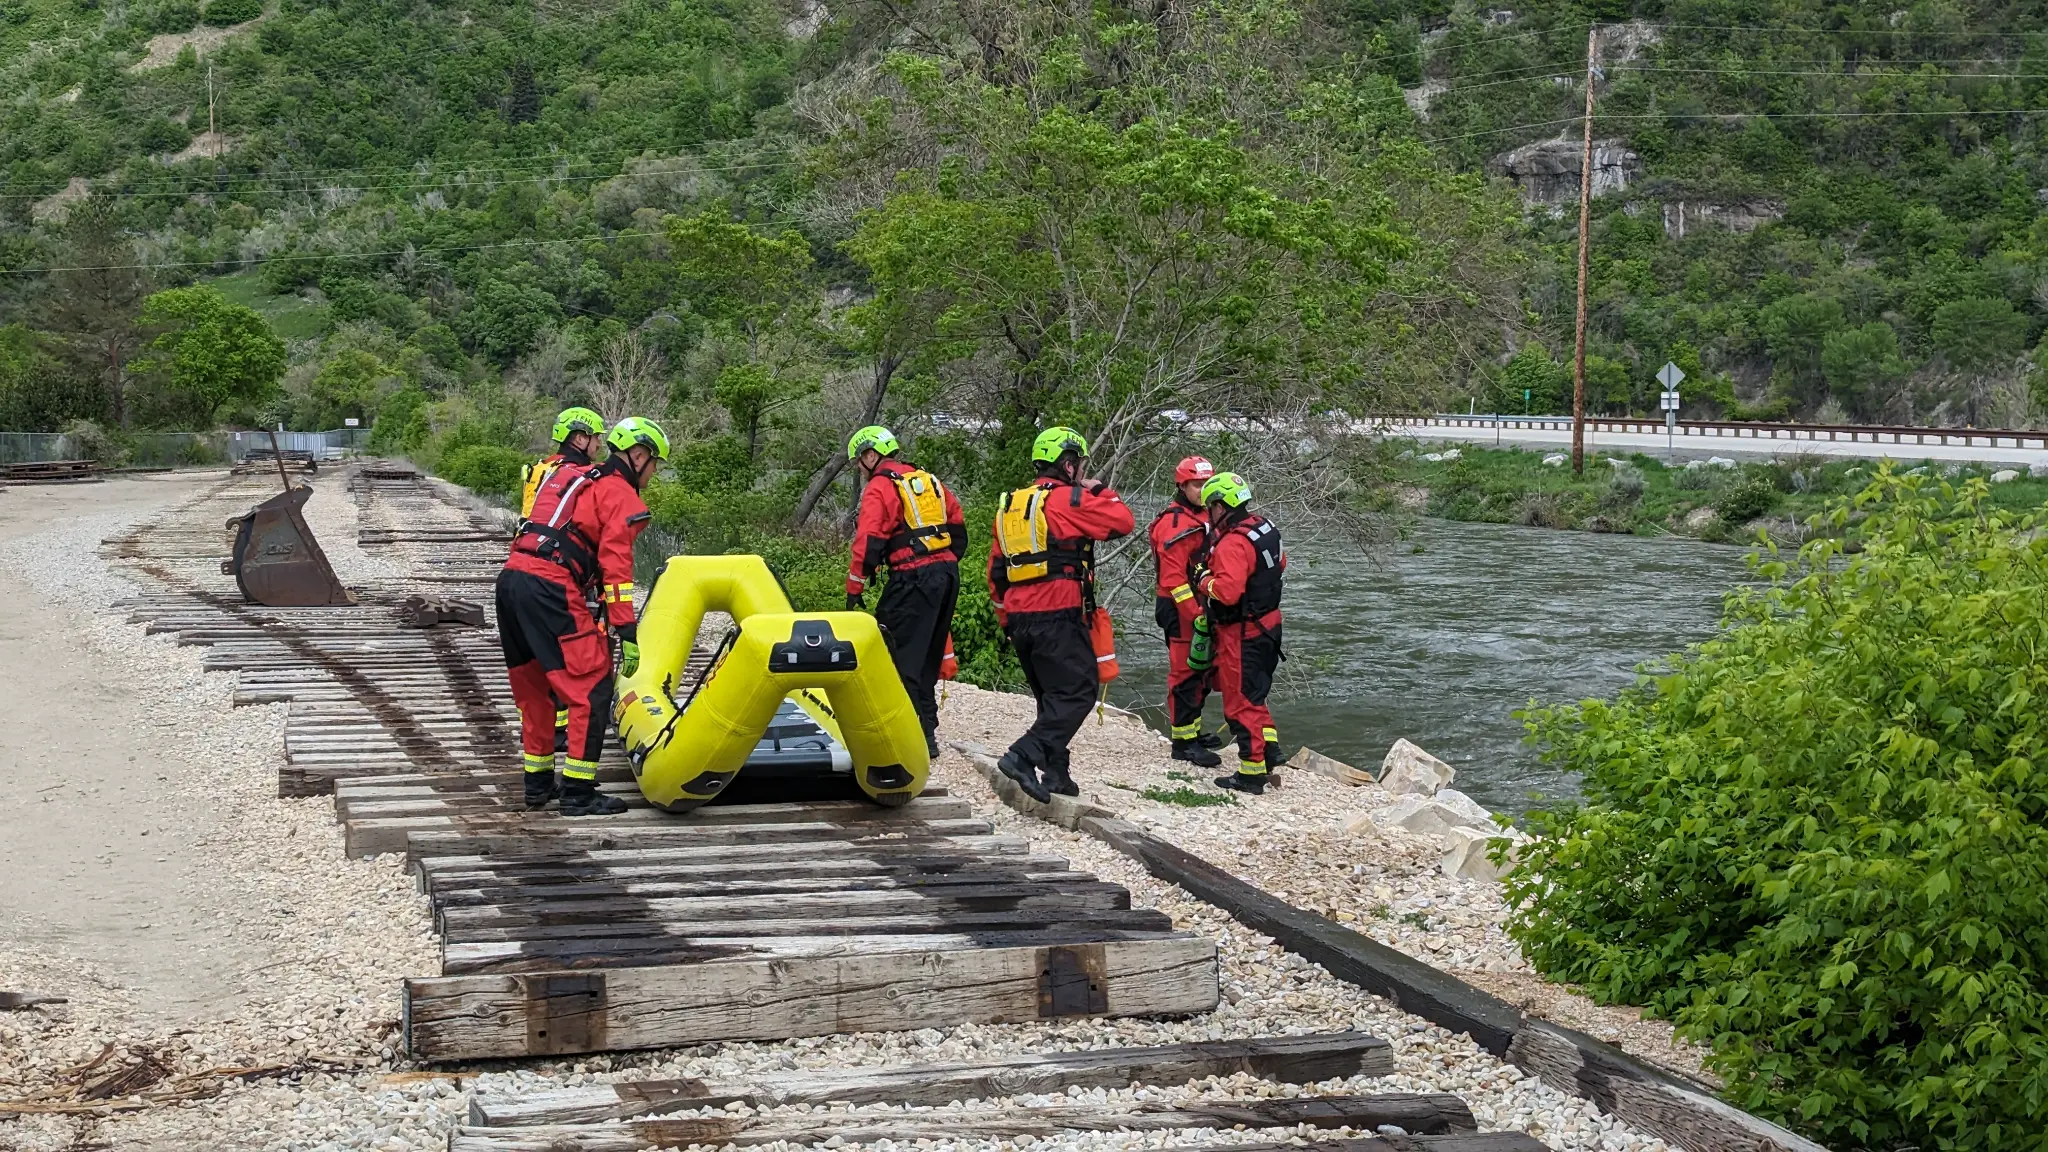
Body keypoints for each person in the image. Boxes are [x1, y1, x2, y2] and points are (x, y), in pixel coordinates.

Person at [496, 417, 668, 816]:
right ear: (638, 456)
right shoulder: (621, 496)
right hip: (551, 587)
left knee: (536, 687)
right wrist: (626, 628)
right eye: (655, 462)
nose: (654, 472)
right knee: (591, 689)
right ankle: (578, 793)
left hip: (511, 581)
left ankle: (538, 785)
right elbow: (617, 567)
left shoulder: (567, 476)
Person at [987, 427, 1135, 803]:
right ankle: (1022, 756)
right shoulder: (1071, 499)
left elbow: (996, 571)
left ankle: (1056, 773)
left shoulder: (1010, 505)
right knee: (1077, 693)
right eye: (1079, 464)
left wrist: (1006, 620)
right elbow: (1123, 521)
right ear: (1068, 465)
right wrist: (1097, 488)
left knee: (1051, 697)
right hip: (1058, 610)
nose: (1082, 469)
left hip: (1020, 618)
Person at [845, 425, 966, 758]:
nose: (860, 468)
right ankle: (926, 732)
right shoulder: (928, 481)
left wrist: (855, 587)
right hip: (946, 575)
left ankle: (907, 734)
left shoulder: (879, 488)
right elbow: (957, 526)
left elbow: (868, 542)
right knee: (927, 655)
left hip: (913, 576)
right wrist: (941, 564)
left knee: (897, 653)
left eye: (859, 461)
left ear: (871, 456)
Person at [1191, 471, 1285, 795]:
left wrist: (1203, 580)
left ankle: (1251, 772)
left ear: (1220, 506)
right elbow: (1279, 564)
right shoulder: (1265, 528)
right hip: (1270, 625)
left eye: (1211, 507)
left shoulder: (1233, 543)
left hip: (1242, 632)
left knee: (1240, 701)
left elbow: (1228, 592)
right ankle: (1270, 751)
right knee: (1256, 694)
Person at [1149, 455, 1225, 768]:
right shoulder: (1174, 524)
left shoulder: (1207, 516)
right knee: (1184, 675)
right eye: (1197, 484)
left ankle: (1192, 731)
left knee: (1203, 672)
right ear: (1183, 485)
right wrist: (1196, 614)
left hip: (1201, 604)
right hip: (1181, 607)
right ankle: (1182, 744)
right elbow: (1173, 579)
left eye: (1208, 483)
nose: (1203, 489)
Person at [521, 407, 607, 518]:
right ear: (579, 439)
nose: (599, 444)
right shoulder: (580, 475)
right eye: (596, 437)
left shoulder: (540, 468)